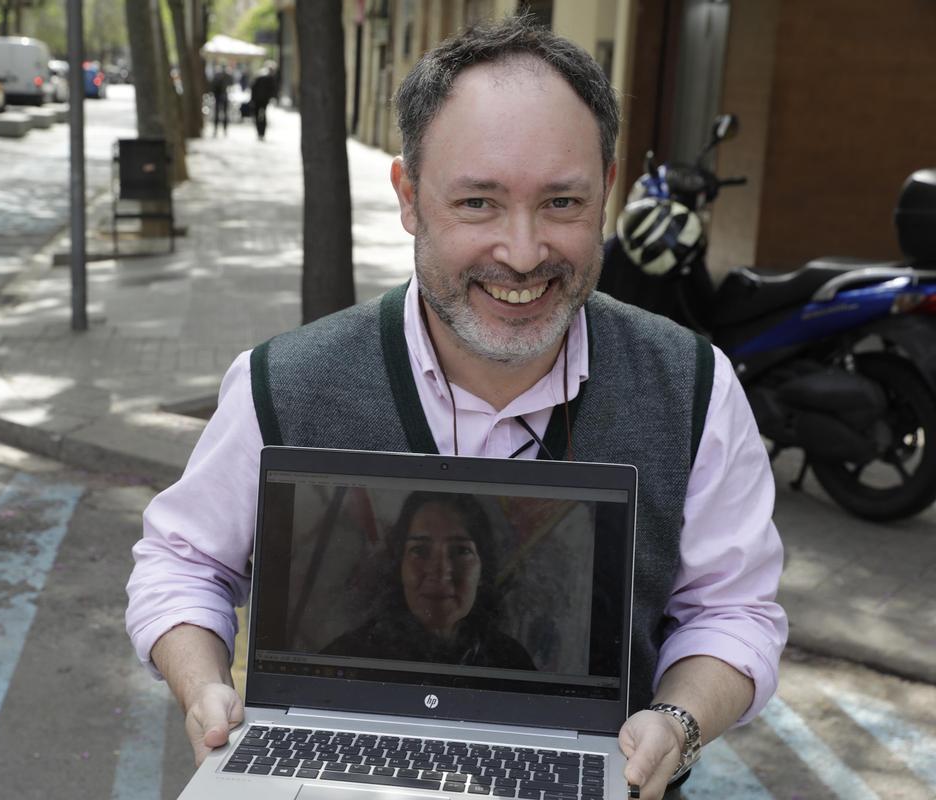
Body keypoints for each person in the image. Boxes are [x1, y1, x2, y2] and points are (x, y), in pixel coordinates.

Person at [125, 15, 787, 800]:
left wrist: (676, 725)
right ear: (409, 196)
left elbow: (734, 610)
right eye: (477, 202)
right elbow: (182, 561)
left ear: (606, 190)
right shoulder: (282, 384)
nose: (523, 250)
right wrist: (204, 688)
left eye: (562, 203)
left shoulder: (694, 390)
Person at [322, 492, 535, 669]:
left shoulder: (512, 661)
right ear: (400, 566)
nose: (440, 572)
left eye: (461, 550)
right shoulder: (348, 656)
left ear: (483, 569)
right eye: (420, 550)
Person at [249, 62, 277, 140]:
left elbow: (253, 87)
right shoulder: (269, 77)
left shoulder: (259, 75)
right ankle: (262, 132)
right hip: (263, 99)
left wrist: (252, 99)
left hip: (258, 99)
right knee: (263, 115)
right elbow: (272, 89)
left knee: (258, 115)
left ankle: (260, 131)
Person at [209, 64, 231, 137]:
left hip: (219, 97)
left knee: (218, 114)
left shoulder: (217, 76)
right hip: (222, 96)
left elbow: (212, 86)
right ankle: (223, 129)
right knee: (223, 113)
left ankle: (217, 129)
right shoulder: (226, 75)